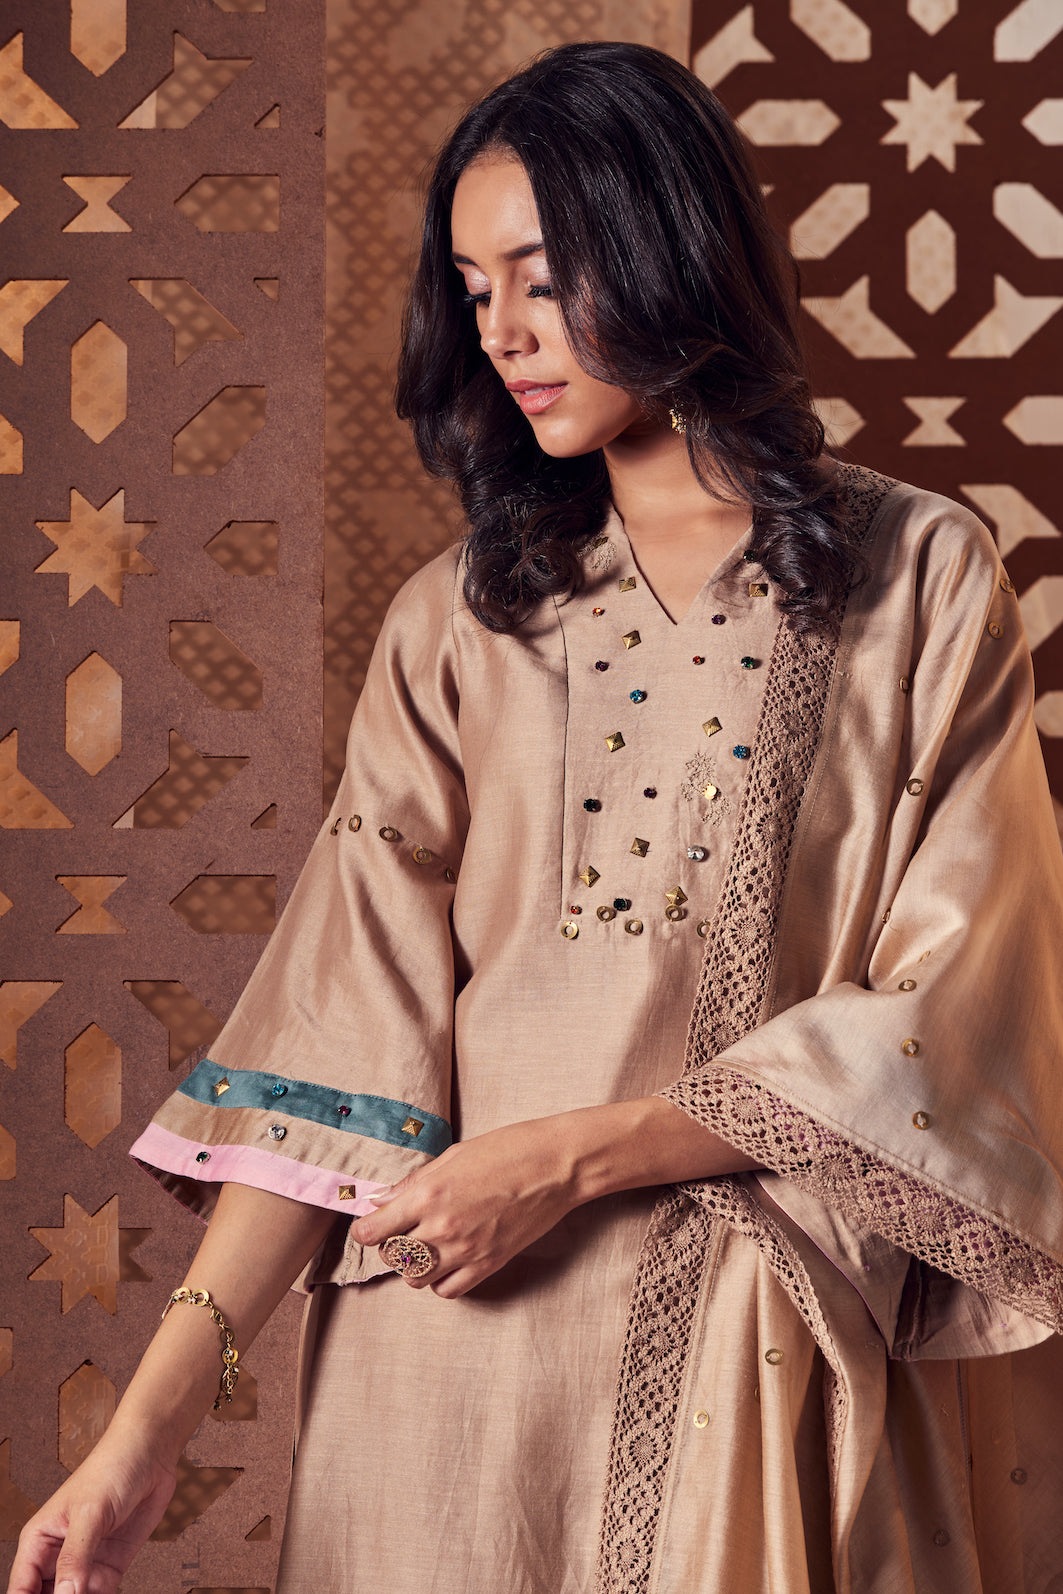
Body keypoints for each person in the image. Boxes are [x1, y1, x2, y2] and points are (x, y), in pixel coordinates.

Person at [9, 39, 1063, 1594]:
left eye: (544, 278)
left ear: (671, 248)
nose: (502, 330)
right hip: (446, 1397)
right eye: (473, 286)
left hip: (751, 1370)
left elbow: (957, 1017)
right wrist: (140, 1439)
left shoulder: (918, 580)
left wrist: (573, 1157)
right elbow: (334, 1057)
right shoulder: (460, 622)